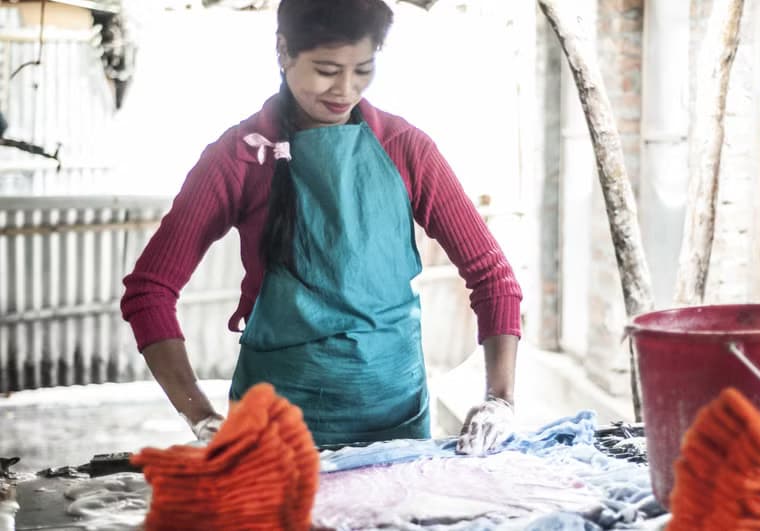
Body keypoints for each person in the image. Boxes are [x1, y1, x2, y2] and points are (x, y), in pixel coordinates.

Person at [121, 0, 522, 455]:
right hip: (272, 435)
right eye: (327, 70)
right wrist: (201, 416)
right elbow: (148, 291)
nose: (345, 89)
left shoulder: (405, 148)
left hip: (398, 432)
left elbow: (494, 278)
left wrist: (500, 399)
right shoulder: (238, 157)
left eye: (363, 70)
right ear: (283, 51)